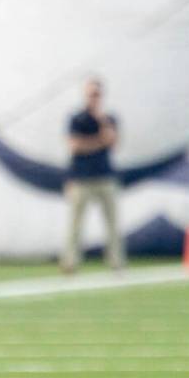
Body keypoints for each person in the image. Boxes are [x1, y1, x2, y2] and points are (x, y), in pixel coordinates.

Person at [60, 78, 123, 272]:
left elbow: (112, 142)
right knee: (76, 224)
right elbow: (75, 146)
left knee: (112, 224)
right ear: (85, 95)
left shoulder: (108, 118)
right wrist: (98, 142)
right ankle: (70, 262)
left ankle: (116, 262)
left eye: (97, 94)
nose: (93, 98)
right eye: (90, 94)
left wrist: (100, 120)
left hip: (105, 176)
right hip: (81, 178)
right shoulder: (76, 119)